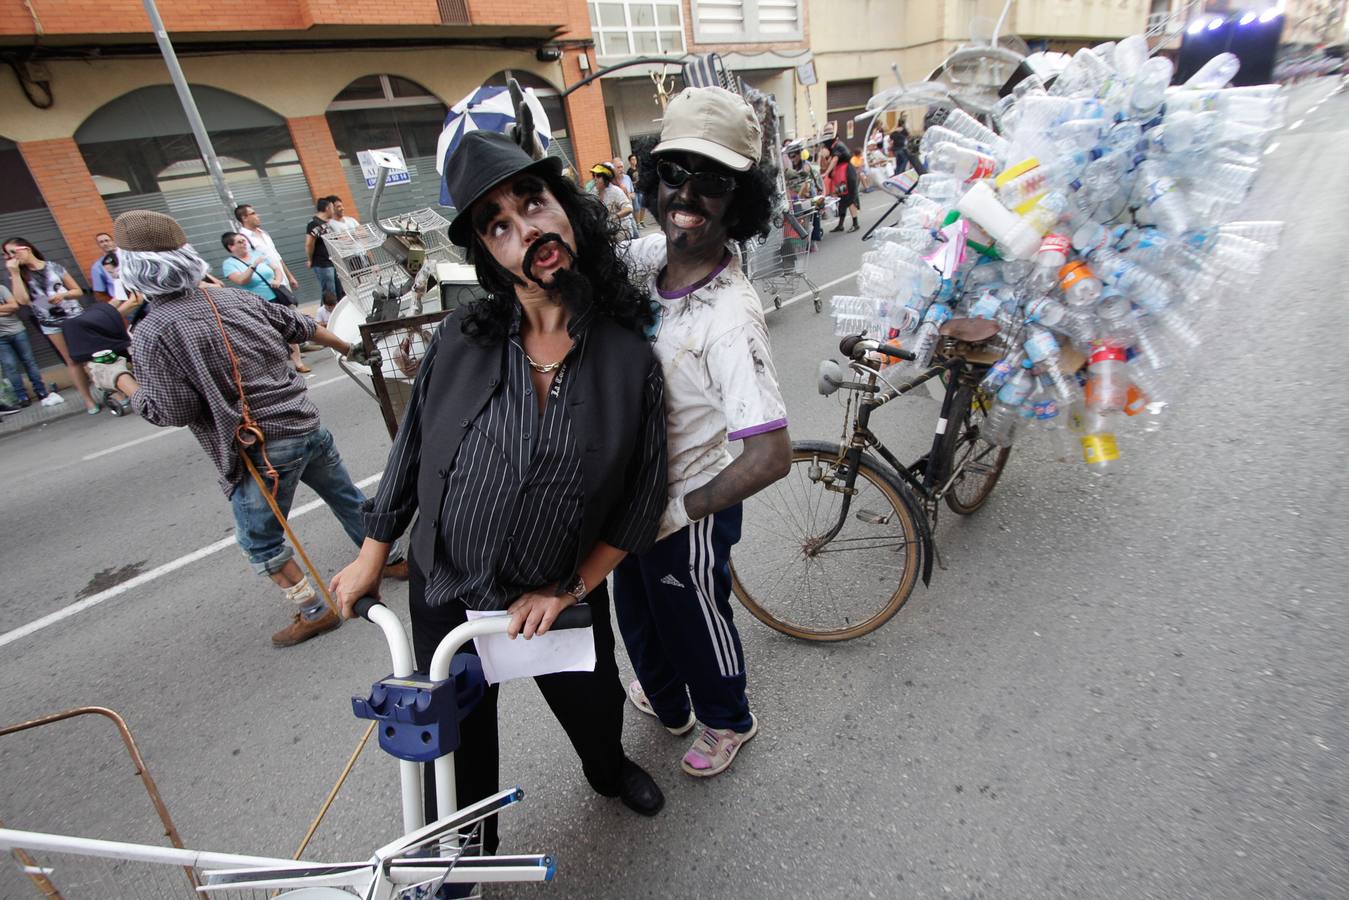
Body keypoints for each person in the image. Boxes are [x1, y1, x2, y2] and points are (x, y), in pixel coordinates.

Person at [329, 129, 669, 854]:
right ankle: (465, 851)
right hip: (447, 589)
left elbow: (642, 499)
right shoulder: (463, 336)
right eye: (498, 225)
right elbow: (412, 449)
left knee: (595, 708)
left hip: (555, 594)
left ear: (566, 210)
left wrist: (568, 590)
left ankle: (608, 771)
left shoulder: (628, 355)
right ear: (489, 253)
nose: (525, 229)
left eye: (533, 203)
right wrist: (370, 555)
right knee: (455, 747)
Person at [87, 210, 408, 648]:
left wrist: (120, 380)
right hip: (305, 423)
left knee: (260, 542)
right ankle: (391, 560)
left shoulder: (152, 331)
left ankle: (315, 612)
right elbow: (301, 326)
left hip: (261, 448)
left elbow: (172, 411)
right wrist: (348, 347)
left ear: (132, 271)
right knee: (346, 496)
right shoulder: (233, 300)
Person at [622, 86, 792, 778]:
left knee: (694, 619)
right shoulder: (645, 260)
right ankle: (667, 700)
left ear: (740, 199)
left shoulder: (730, 317)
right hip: (628, 500)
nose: (686, 193)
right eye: (673, 171)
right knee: (636, 611)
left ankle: (727, 717)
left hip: (686, 508)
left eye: (713, 179)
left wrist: (678, 512)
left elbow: (770, 455)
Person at [3, 237, 97, 412]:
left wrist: (63, 295)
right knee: (72, 361)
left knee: (92, 355)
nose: (10, 258)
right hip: (51, 323)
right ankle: (88, 400)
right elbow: (22, 301)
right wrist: (14, 273)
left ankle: (112, 391)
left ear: (27, 248)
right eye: (7, 255)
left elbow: (77, 291)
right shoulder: (19, 275)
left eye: (12, 252)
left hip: (75, 316)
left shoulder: (53, 267)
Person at [221, 231, 310, 373]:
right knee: (270, 335)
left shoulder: (257, 254)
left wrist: (278, 279)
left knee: (289, 327)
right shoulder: (229, 264)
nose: (244, 243)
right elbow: (241, 280)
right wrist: (253, 266)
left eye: (244, 240)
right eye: (239, 242)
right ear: (231, 247)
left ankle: (298, 363)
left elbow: (276, 268)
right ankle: (280, 367)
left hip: (277, 296)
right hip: (257, 303)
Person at [0, 281, 52, 409]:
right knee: (10, 366)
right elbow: (10, 308)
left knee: (29, 361)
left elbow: (14, 306)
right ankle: (22, 396)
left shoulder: (1, 288)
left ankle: (41, 391)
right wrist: (6, 309)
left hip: (18, 331)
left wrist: (10, 308)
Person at [783, 140, 825, 247]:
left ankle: (812, 240)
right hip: (798, 198)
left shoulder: (806, 166)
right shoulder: (794, 167)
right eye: (790, 156)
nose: (792, 159)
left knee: (810, 213)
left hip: (809, 197)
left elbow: (804, 181)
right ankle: (804, 240)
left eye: (793, 156)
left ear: (799, 154)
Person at [305, 198, 344, 303]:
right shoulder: (313, 223)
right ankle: (325, 312)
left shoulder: (326, 224)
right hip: (323, 264)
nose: (333, 211)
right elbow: (309, 244)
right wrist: (310, 259)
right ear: (327, 208)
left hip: (332, 262)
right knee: (330, 294)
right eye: (332, 208)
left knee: (339, 293)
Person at [589, 163, 635, 236]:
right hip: (606, 233)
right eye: (594, 176)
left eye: (598, 176)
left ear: (605, 178)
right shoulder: (594, 192)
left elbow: (629, 208)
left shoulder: (615, 191)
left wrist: (613, 217)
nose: (595, 179)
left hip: (622, 232)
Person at [89, 232, 118, 301]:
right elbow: (100, 292)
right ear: (98, 245)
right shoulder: (97, 267)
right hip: (122, 299)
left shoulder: (127, 256)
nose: (105, 244)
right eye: (101, 242)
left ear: (113, 241)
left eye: (107, 240)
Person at [628, 153, 647, 228]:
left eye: (635, 159)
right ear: (630, 161)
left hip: (641, 190)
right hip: (635, 191)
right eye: (632, 159)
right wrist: (635, 182)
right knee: (636, 208)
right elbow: (629, 182)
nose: (634, 161)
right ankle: (637, 223)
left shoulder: (639, 169)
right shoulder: (629, 171)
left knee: (643, 206)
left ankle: (642, 221)